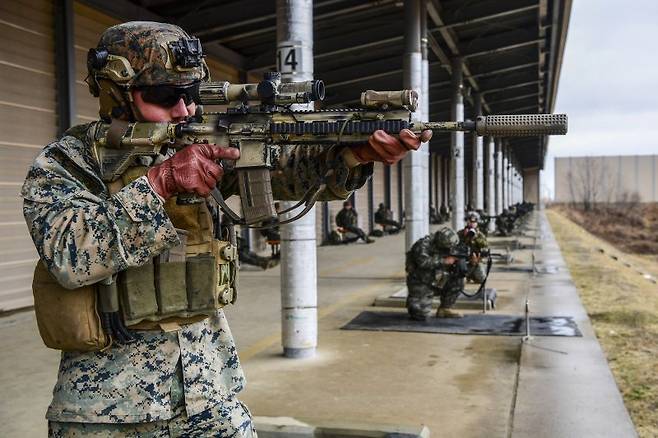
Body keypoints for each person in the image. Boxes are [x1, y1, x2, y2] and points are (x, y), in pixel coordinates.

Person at [21, 22, 431, 437]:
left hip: (209, 390)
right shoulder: (67, 163)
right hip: (107, 407)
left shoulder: (197, 141)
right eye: (165, 96)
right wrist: (161, 184)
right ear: (115, 91)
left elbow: (289, 172)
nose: (183, 110)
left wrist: (356, 153)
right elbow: (69, 256)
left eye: (191, 96)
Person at [405, 227, 469, 320]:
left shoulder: (448, 245)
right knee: (421, 315)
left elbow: (460, 266)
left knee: (459, 280)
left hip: (437, 279)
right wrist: (444, 261)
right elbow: (423, 262)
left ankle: (445, 308)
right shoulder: (422, 245)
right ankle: (416, 301)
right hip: (421, 282)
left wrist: (472, 262)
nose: (450, 249)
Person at [459, 213, 488, 284]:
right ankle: (467, 275)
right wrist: (465, 237)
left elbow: (485, 247)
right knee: (459, 282)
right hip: (463, 261)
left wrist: (475, 237)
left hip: (476, 261)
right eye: (470, 221)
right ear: (467, 221)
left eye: (474, 222)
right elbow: (456, 246)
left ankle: (472, 275)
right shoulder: (460, 233)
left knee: (482, 280)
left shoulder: (480, 235)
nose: (472, 224)